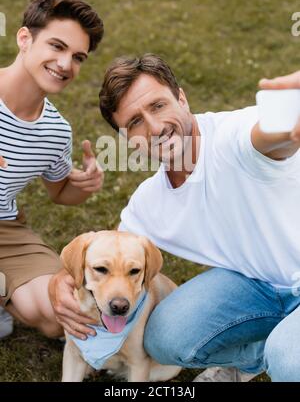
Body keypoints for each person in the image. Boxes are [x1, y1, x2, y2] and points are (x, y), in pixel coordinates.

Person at [52, 54, 300, 382]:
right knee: (163, 339)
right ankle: (251, 357)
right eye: (135, 122)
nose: (154, 128)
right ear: (127, 139)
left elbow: (271, 136)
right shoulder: (149, 202)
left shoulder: (232, 138)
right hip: (259, 285)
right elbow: (106, 256)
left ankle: (280, 347)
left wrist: (286, 115)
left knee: (289, 361)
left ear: (181, 98)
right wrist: (58, 282)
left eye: (157, 106)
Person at [0, 0, 104, 340]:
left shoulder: (56, 131)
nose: (65, 64)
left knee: (62, 310)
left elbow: (60, 193)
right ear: (25, 38)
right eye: (57, 47)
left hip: (5, 231)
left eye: (77, 57)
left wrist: (81, 185)